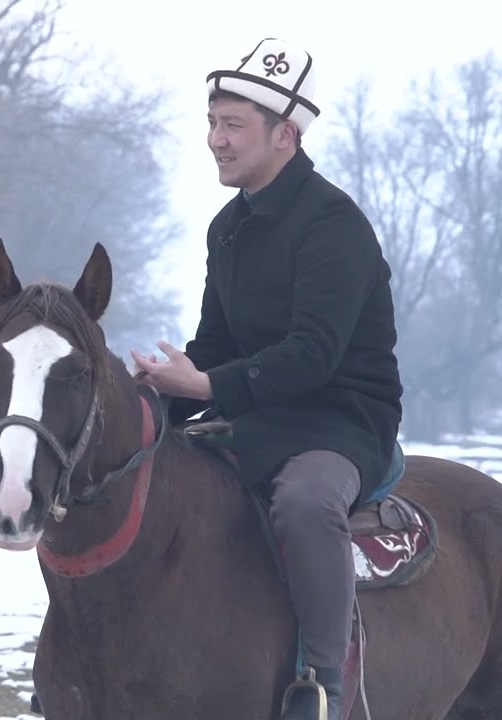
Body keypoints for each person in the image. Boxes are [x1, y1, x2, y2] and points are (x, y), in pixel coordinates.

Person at [130, 38, 403, 720]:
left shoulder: (335, 225)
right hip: (255, 414)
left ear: (286, 135)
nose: (215, 140)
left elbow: (313, 355)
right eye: (212, 123)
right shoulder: (226, 227)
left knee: (306, 503)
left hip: (341, 419)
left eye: (233, 125)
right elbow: (215, 345)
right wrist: (154, 396)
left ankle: (322, 683)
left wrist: (207, 387)